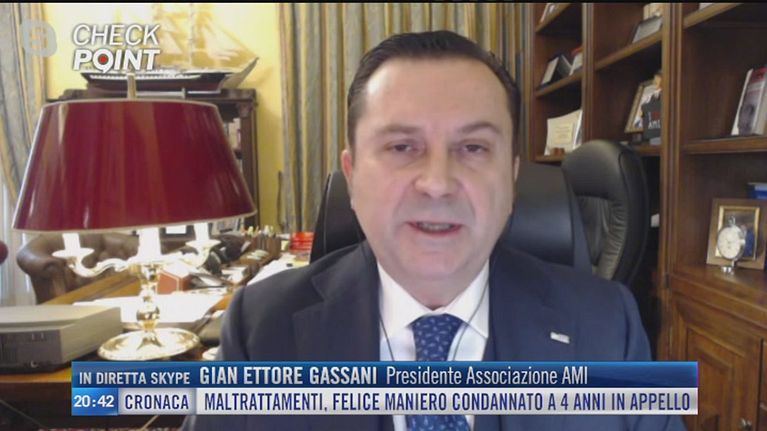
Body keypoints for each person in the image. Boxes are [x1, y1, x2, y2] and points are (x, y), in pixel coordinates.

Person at [183, 30, 685, 431]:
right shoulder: (260, 328)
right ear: (352, 177)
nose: (439, 183)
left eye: (473, 148)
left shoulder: (607, 326)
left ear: (511, 179)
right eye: (402, 147)